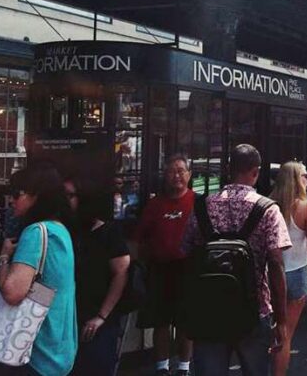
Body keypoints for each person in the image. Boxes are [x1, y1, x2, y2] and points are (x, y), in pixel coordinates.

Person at [181, 144, 291, 375]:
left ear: (229, 169)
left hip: (208, 309)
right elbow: (276, 264)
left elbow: (187, 253)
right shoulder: (268, 209)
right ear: (256, 172)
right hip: (254, 309)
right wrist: (281, 320)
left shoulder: (202, 207)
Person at [0, 164, 78, 376]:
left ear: (38, 196)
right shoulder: (59, 230)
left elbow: (12, 292)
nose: (12, 200)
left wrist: (4, 255)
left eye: (17, 193)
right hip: (58, 349)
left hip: (31, 352)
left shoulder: (35, 233)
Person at [134, 154, 195, 376]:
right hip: (159, 270)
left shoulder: (198, 202)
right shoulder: (154, 205)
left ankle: (184, 367)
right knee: (161, 322)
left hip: (188, 270)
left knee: (185, 322)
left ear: (189, 175)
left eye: (181, 170)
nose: (176, 175)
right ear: (165, 175)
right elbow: (141, 238)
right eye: (172, 171)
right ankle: (161, 367)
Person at [66, 178, 131, 376]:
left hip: (98, 320)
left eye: (70, 195)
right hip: (69, 319)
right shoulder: (65, 230)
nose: (64, 200)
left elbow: (121, 272)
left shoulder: (108, 232)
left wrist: (102, 316)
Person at [269, 161, 307, 376]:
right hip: (297, 272)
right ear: (297, 179)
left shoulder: (268, 204)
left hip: (271, 273)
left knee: (267, 332)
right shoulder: (306, 208)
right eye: (304, 175)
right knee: (285, 335)